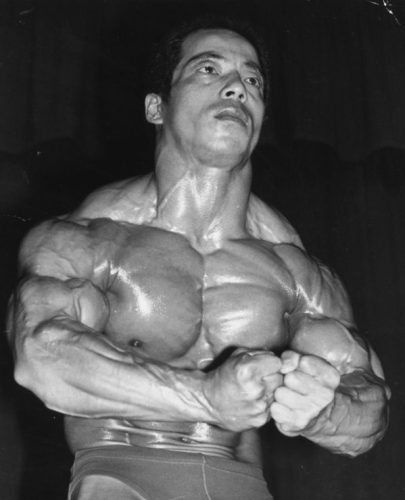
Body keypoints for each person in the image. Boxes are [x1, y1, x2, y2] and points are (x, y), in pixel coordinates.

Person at [7, 16, 390, 500]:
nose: (237, 87)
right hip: (120, 473)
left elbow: (371, 409)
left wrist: (325, 411)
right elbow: (40, 354)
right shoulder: (87, 239)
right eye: (208, 70)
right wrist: (206, 397)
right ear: (156, 107)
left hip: (242, 484)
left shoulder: (292, 269)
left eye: (252, 79)